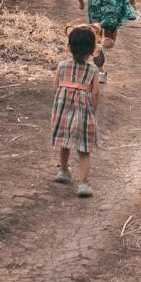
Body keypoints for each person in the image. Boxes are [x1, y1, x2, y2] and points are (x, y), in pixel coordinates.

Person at [49, 24, 104, 197]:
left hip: (63, 111)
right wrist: (92, 111)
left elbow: (56, 86)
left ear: (69, 46)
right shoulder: (93, 70)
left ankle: (63, 171)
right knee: (84, 149)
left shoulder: (62, 66)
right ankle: (83, 184)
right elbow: (95, 93)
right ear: (93, 49)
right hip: (84, 112)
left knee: (64, 142)